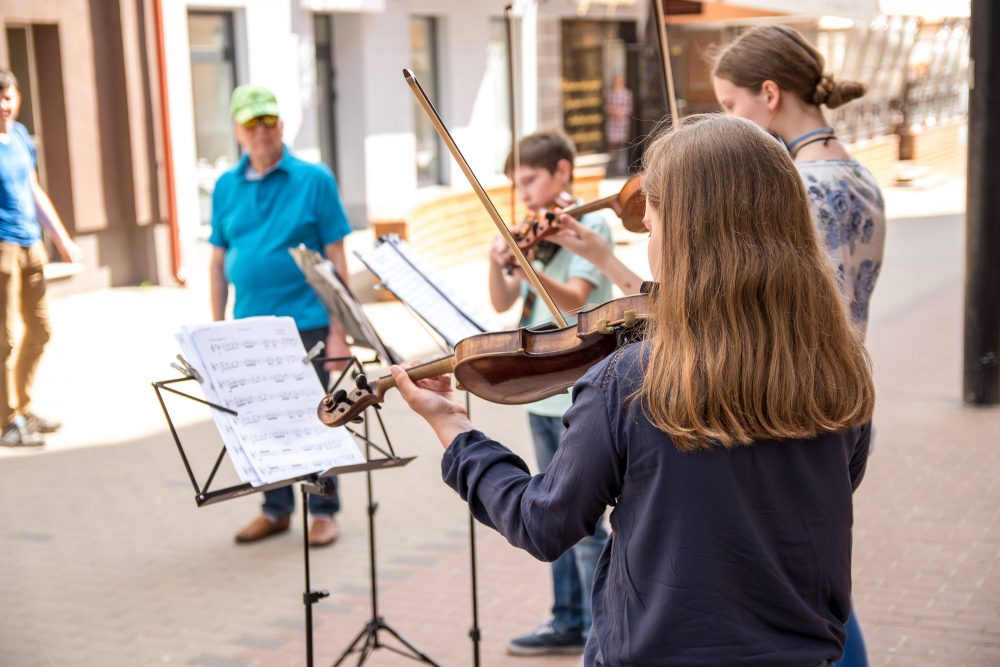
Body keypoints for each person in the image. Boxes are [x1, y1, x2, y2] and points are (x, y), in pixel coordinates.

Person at [391, 114, 875, 666]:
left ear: (686, 236)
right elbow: (833, 487)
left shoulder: (630, 378)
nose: (650, 244)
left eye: (651, 227)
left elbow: (543, 523)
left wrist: (453, 428)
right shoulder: (840, 366)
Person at [209, 85, 352, 547]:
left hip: (307, 324)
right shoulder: (225, 186)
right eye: (252, 123)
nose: (262, 130)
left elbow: (336, 259)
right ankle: (276, 509)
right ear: (237, 131)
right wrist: (215, 334)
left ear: (282, 125)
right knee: (262, 424)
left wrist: (340, 333)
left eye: (269, 120)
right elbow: (218, 262)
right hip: (248, 328)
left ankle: (324, 511)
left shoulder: (315, 179)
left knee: (316, 420)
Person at [488, 129, 613, 656]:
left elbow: (573, 302)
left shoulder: (589, 224)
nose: (525, 194)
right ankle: (567, 617)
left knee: (586, 523)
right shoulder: (534, 234)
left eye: (531, 180)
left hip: (577, 389)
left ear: (563, 171)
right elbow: (501, 304)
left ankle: (602, 626)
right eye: (517, 185)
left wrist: (530, 265)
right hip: (539, 391)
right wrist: (498, 262)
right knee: (552, 512)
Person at [0, 69, 82, 448]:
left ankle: (23, 407)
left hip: (31, 243)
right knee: (5, 339)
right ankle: (7, 421)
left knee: (40, 330)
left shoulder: (18, 136)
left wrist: (62, 239)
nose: (4, 105)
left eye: (8, 97)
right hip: (3, 249)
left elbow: (33, 190)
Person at [604, 73, 634, 177]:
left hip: (622, 124)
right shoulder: (610, 93)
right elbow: (607, 107)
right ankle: (612, 167)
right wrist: (613, 111)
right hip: (613, 124)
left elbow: (629, 108)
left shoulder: (627, 94)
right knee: (612, 147)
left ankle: (621, 168)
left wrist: (621, 112)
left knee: (622, 146)